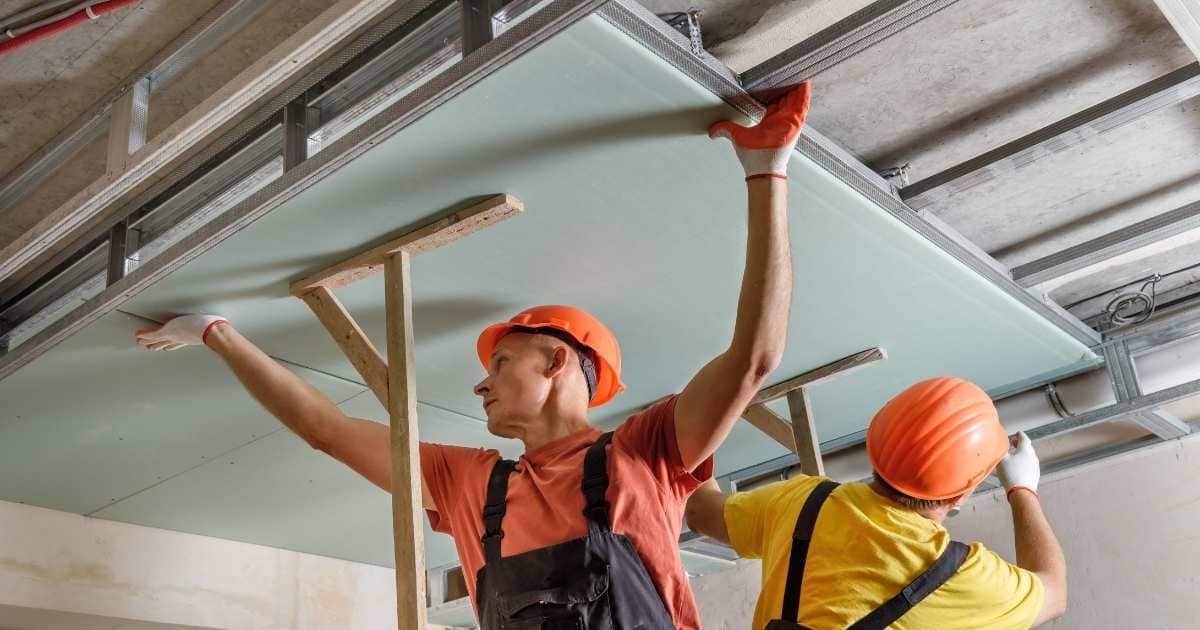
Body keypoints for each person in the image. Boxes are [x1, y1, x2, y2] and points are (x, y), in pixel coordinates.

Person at [134, 83, 813, 629]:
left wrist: (766, 171)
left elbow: (754, 357)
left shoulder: (645, 452)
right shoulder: (471, 486)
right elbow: (328, 431)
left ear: (555, 362)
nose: (481, 385)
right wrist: (215, 334)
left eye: (501, 363)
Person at [684, 377, 1068, 629]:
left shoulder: (806, 502)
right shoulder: (965, 576)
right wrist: (1022, 489)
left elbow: (701, 513)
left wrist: (691, 417)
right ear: (961, 492)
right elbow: (1054, 594)